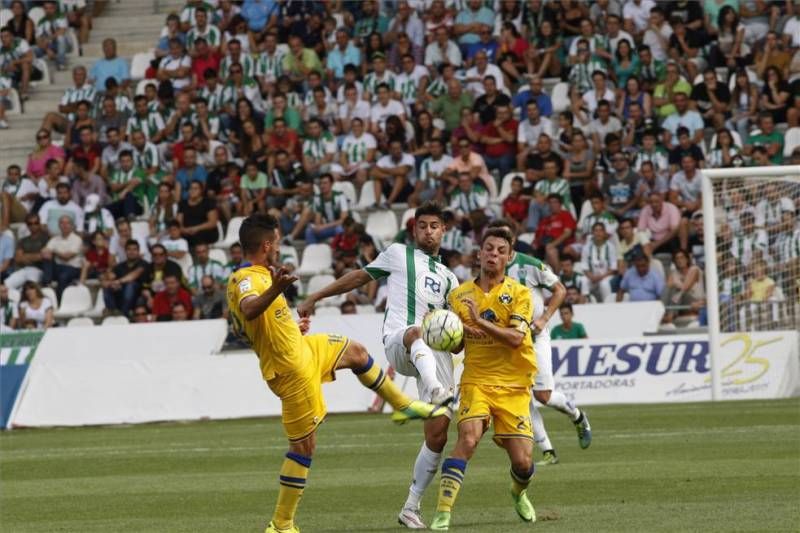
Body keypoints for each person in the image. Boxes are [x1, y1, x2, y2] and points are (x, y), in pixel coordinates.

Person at [227, 213, 444, 533]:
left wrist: (290, 324)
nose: (280, 247)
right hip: (291, 369)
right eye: (278, 241)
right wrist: (275, 289)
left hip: (302, 349)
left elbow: (264, 321)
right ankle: (281, 524)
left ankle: (402, 405)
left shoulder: (262, 275)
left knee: (356, 352)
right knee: (304, 447)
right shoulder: (245, 279)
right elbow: (248, 309)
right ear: (268, 243)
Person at [297, 203, 459, 529]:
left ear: (444, 231)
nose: (428, 231)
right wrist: (316, 296)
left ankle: (411, 507)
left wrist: (455, 333)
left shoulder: (450, 278)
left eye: (434, 226)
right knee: (417, 331)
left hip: (435, 352)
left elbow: (455, 333)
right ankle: (438, 391)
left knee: (438, 435)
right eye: (422, 225)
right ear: (414, 230)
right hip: (401, 340)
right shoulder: (398, 253)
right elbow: (359, 277)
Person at [429, 227, 537, 530]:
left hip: (514, 385)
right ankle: (443, 512)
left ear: (509, 257)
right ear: (479, 253)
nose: (494, 254)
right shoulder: (458, 296)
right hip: (476, 380)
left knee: (523, 464)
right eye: (489, 248)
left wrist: (478, 322)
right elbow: (458, 345)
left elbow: (516, 339)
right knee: (468, 438)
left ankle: (518, 492)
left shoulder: (520, 294)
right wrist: (451, 332)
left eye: (501, 250)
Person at [488, 219, 590, 466]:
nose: (498, 249)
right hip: (509, 342)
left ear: (512, 242)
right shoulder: (488, 270)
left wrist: (544, 318)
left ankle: (577, 415)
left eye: (505, 241)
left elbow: (560, 290)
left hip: (534, 337)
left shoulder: (530, 265)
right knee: (521, 396)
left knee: (543, 395)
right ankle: (548, 451)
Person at [102, 239, 149, 317]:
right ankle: (112, 312)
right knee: (107, 287)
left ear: (138, 251)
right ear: (125, 251)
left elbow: (133, 276)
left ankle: (124, 313)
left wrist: (118, 282)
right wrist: (110, 283)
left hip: (137, 296)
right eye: (129, 249)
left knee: (130, 285)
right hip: (121, 294)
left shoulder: (143, 264)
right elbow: (108, 278)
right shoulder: (119, 266)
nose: (132, 252)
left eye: (134, 249)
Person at [41, 215, 82, 298]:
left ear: (72, 225)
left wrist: (53, 252)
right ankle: (47, 283)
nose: (65, 225)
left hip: (73, 268)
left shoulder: (77, 239)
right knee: (46, 260)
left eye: (67, 223)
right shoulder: (54, 239)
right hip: (58, 267)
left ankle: (60, 301)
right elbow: (44, 252)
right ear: (59, 225)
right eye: (62, 223)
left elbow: (67, 257)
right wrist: (50, 253)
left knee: (63, 276)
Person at [4, 213, 49, 290]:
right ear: (27, 225)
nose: (33, 225)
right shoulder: (23, 241)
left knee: (28, 288)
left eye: (36, 223)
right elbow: (18, 259)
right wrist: (35, 256)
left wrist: (25, 256)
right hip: (23, 270)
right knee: (6, 285)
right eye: (30, 223)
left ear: (39, 223)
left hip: (38, 270)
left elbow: (43, 256)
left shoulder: (46, 239)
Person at [580, 222, 618, 303]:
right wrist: (592, 277)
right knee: (583, 280)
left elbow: (613, 268)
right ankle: (585, 304)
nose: (598, 233)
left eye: (600, 230)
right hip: (592, 277)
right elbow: (584, 266)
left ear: (604, 233)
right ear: (592, 233)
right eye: (596, 231)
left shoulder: (610, 247)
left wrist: (601, 277)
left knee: (604, 284)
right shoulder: (586, 247)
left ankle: (608, 306)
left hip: (606, 276)